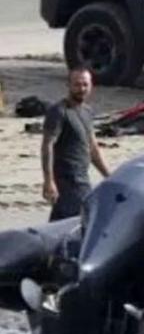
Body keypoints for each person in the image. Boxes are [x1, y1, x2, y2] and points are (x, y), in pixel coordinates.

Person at [41, 68, 110, 220]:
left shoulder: (87, 111)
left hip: (82, 177)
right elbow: (47, 146)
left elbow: (92, 148)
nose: (81, 89)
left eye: (85, 85)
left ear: (91, 86)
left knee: (60, 226)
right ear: (68, 85)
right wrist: (48, 181)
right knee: (84, 221)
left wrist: (108, 175)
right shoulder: (58, 112)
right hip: (68, 181)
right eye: (77, 85)